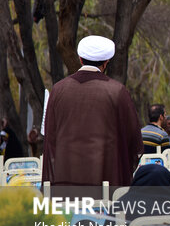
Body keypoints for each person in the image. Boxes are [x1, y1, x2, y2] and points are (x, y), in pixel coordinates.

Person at [42, 35, 143, 186]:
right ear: (106, 61)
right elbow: (133, 141)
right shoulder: (117, 91)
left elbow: (50, 138)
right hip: (106, 183)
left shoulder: (58, 90)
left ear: (81, 59)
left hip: (65, 183)